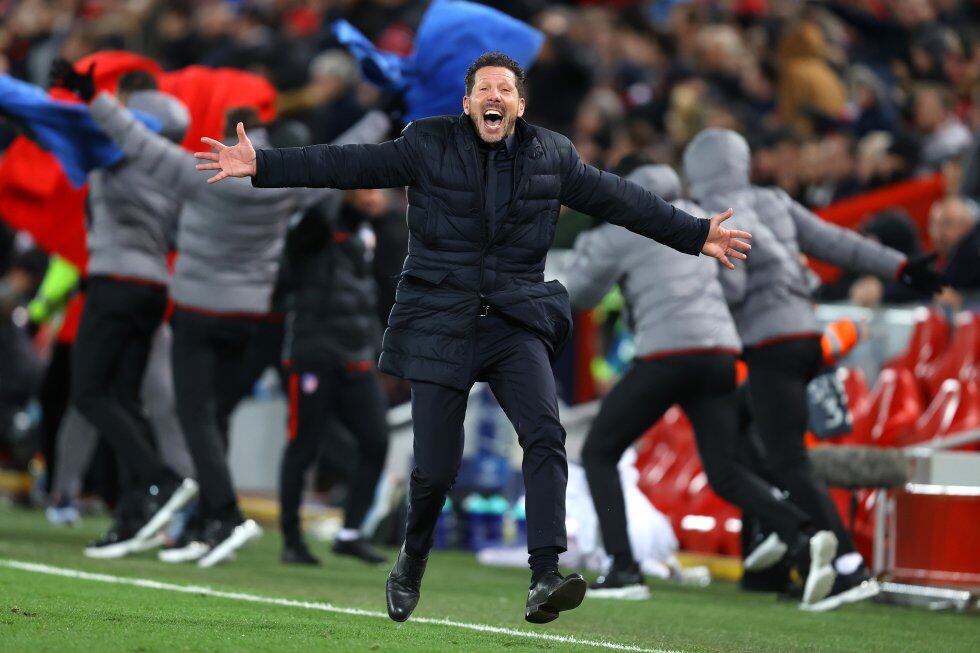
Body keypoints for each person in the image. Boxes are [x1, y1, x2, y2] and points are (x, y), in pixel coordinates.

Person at [195, 51, 750, 624]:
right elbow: (346, 163)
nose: (493, 97)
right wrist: (261, 164)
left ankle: (544, 575)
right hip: (440, 320)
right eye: (484, 89)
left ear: (519, 105)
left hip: (514, 321)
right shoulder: (428, 143)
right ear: (467, 104)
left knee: (545, 434)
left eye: (504, 90)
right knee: (436, 468)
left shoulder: (552, 155)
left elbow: (621, 199)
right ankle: (411, 560)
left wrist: (693, 233)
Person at [90, 87, 391, 568]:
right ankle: (211, 521)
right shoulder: (285, 183)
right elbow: (338, 157)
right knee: (219, 414)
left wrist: (95, 100)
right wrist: (383, 112)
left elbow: (140, 145)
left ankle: (223, 515)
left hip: (198, 309)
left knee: (200, 418)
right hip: (249, 314)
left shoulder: (202, 171)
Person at [682, 128, 942, 611]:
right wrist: (903, 268)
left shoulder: (709, 215)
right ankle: (785, 526)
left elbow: (735, 290)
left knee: (787, 460)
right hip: (808, 334)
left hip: (771, 344)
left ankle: (847, 565)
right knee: (739, 429)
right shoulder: (773, 199)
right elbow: (837, 243)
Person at [558, 161, 837, 608]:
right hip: (719, 355)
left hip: (667, 354)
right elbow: (732, 284)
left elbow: (580, 293)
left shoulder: (626, 222)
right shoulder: (701, 218)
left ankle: (624, 567)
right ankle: (802, 530)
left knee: (599, 451)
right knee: (724, 470)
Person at [50, 66, 198, 558]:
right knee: (125, 400)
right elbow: (179, 234)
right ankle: (137, 511)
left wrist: (87, 96)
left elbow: (64, 128)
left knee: (90, 395)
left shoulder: (117, 148)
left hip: (114, 281)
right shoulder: (172, 163)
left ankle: (162, 480)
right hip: (155, 288)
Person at [277, 191, 390, 567]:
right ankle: (291, 539)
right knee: (303, 447)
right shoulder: (314, 225)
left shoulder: (365, 232)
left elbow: (367, 296)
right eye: (369, 188)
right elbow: (316, 213)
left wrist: (377, 350)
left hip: (355, 357)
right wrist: (344, 187)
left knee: (375, 440)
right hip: (313, 355)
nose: (377, 196)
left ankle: (350, 533)